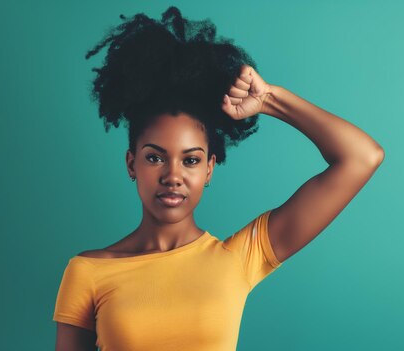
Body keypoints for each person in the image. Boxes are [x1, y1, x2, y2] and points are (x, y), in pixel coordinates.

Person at [52, 6, 384, 351]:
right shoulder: (87, 272)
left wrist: (270, 99)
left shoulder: (238, 259)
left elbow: (361, 157)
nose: (173, 176)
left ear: (209, 168)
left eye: (191, 160)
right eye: (155, 157)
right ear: (131, 163)